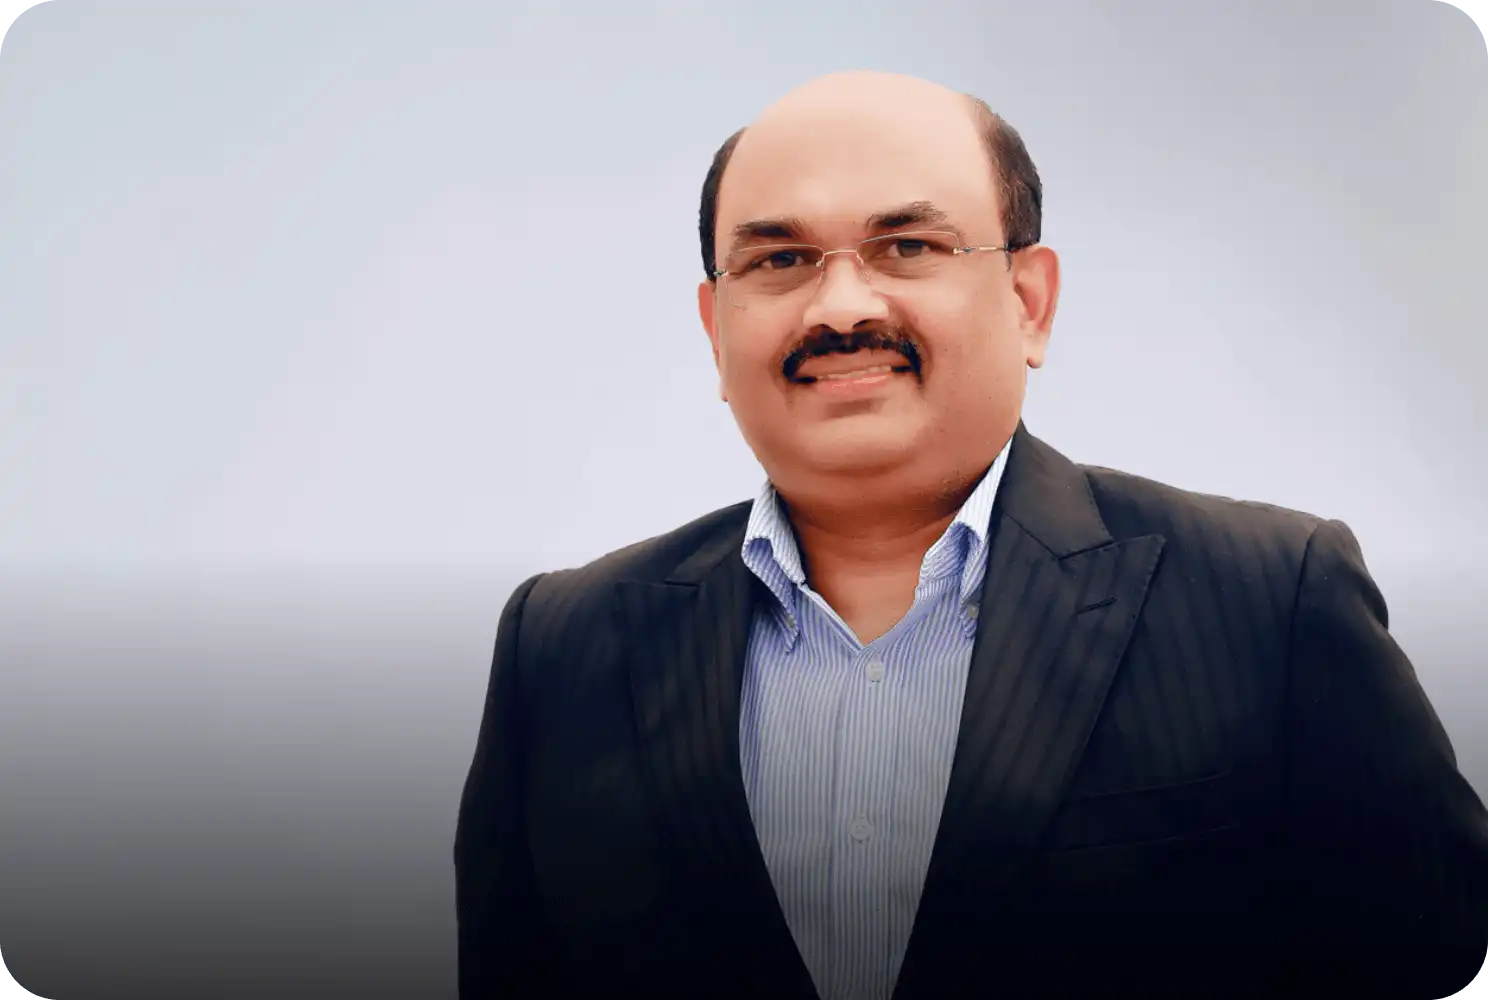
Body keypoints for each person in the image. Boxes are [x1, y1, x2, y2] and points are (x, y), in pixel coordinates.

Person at [454, 70, 1488, 999]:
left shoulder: (1268, 596)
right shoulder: (564, 643)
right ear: (715, 328)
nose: (842, 303)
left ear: (1030, 303)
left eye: (909, 244)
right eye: (779, 258)